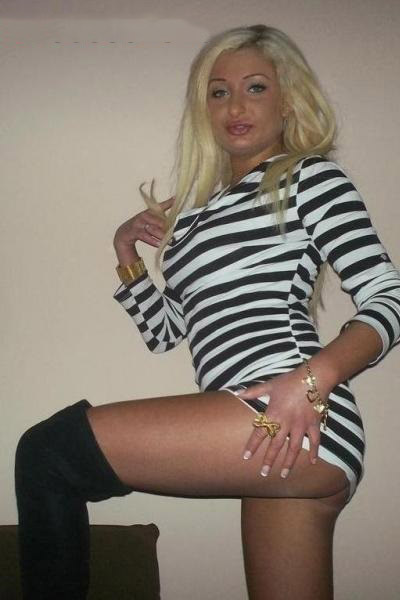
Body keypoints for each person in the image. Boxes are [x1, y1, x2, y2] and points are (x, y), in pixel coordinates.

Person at [15, 24, 400, 600]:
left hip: (293, 413)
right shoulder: (195, 216)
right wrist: (126, 254)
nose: (235, 106)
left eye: (255, 88)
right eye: (219, 92)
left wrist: (309, 383)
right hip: (267, 434)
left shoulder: (309, 178)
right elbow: (167, 332)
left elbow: (389, 296)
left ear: (287, 101)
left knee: (48, 453)